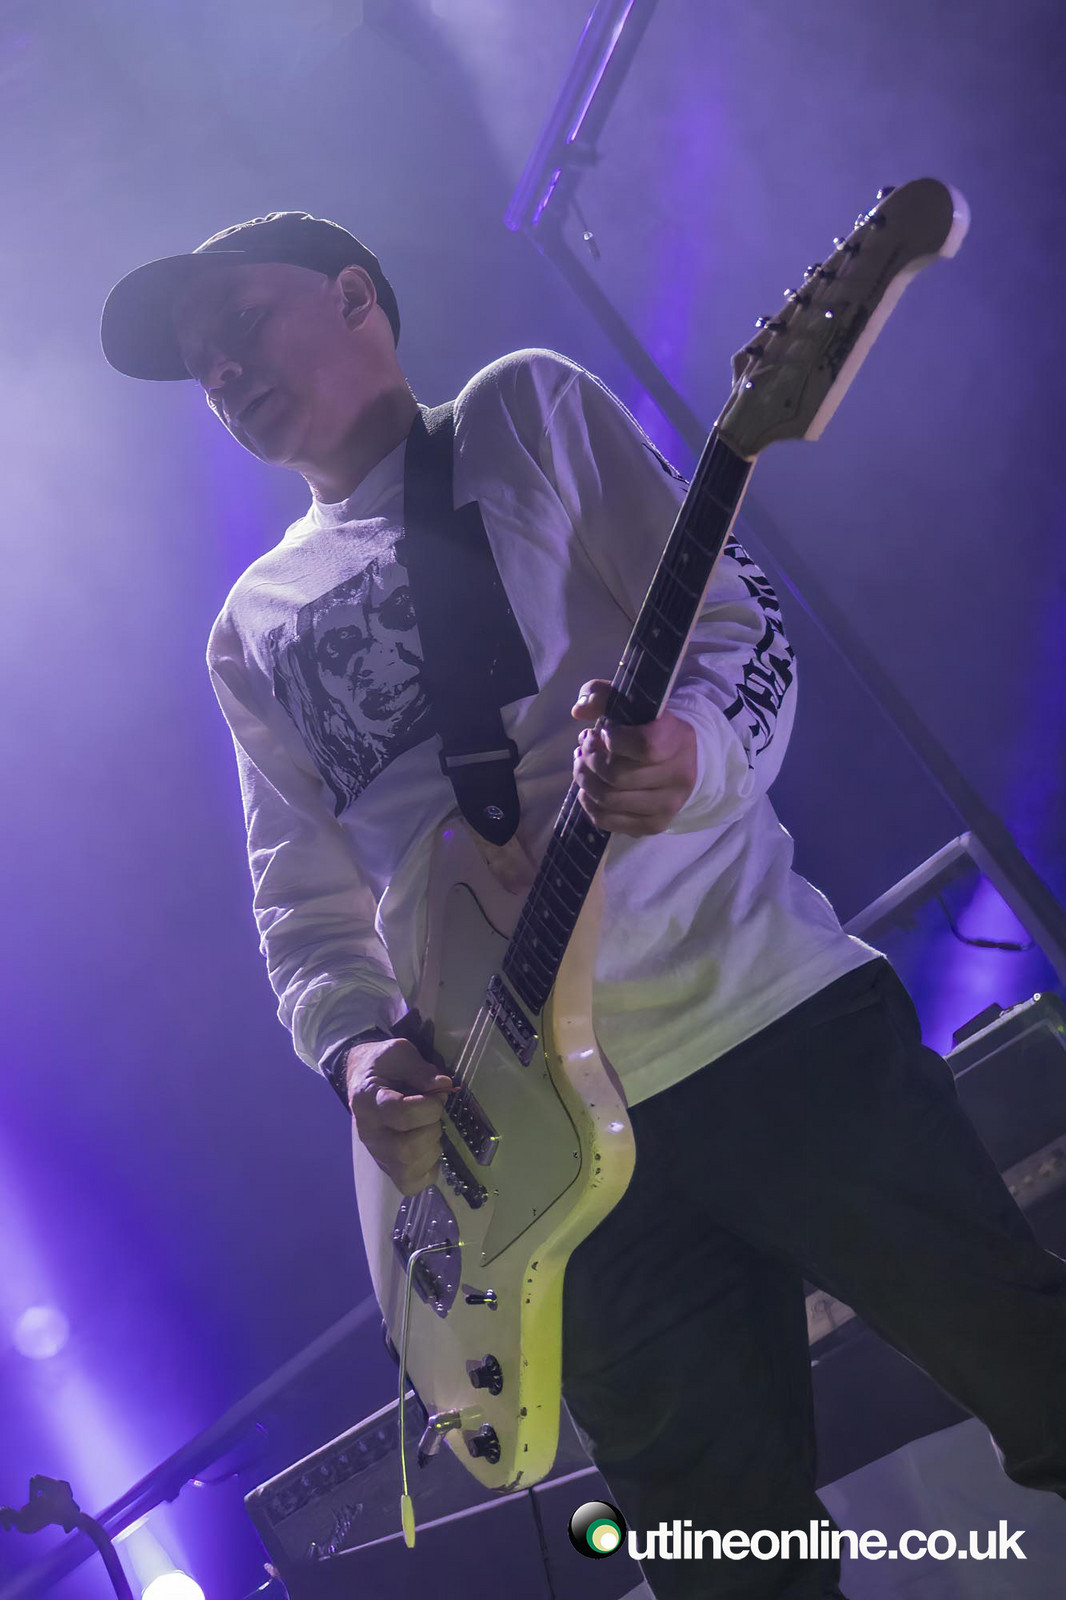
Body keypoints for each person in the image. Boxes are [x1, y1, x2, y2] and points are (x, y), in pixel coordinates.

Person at [101, 211, 1066, 1599]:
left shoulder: (525, 411)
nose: (222, 372)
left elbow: (739, 625)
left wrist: (689, 755)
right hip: (539, 1165)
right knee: (728, 1569)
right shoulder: (250, 627)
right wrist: (358, 1048)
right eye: (201, 365)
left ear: (355, 296)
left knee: (1038, 1377)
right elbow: (299, 904)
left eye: (240, 325)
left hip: (760, 1028)